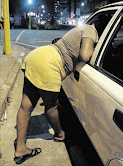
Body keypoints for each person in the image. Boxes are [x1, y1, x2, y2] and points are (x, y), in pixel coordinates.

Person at [14, 24, 98, 164]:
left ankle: (20, 148)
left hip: (36, 56)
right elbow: (85, 56)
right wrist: (94, 47)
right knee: (51, 107)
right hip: (50, 65)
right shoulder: (91, 29)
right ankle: (59, 135)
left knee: (25, 106)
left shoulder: (81, 28)